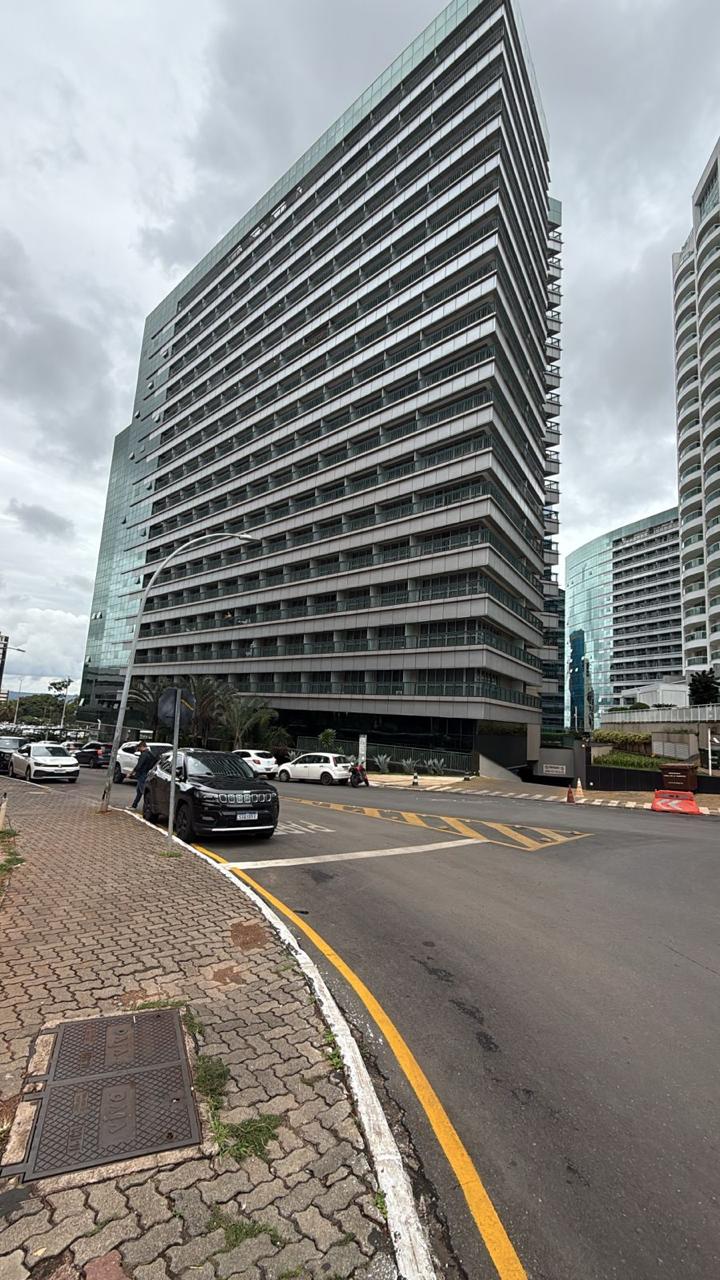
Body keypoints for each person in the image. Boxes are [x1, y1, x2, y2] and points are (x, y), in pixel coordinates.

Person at [130, 741, 155, 809]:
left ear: (142, 747)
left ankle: (147, 806)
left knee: (142, 790)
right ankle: (134, 805)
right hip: (147, 773)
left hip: (142, 774)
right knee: (139, 791)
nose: (139, 750)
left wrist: (132, 772)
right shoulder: (150, 754)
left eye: (139, 748)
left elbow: (139, 765)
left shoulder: (144, 755)